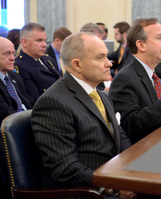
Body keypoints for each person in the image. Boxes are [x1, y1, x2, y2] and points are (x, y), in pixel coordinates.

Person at [31, 32, 132, 197]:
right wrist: (112, 186)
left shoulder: (100, 95)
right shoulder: (54, 102)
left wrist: (133, 173)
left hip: (112, 179)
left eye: (107, 56)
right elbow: (64, 168)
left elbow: (121, 139)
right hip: (87, 192)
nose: (109, 63)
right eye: (100, 58)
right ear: (77, 65)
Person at [0, 37, 35, 199]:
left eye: (13, 53)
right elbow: (7, 114)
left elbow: (28, 105)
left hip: (28, 127)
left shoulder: (14, 78)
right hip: (7, 136)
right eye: (7, 54)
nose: (13, 58)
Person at [14, 23, 61, 100]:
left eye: (45, 40)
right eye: (39, 40)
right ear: (25, 42)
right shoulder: (20, 65)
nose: (45, 45)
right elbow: (34, 99)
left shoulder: (48, 59)